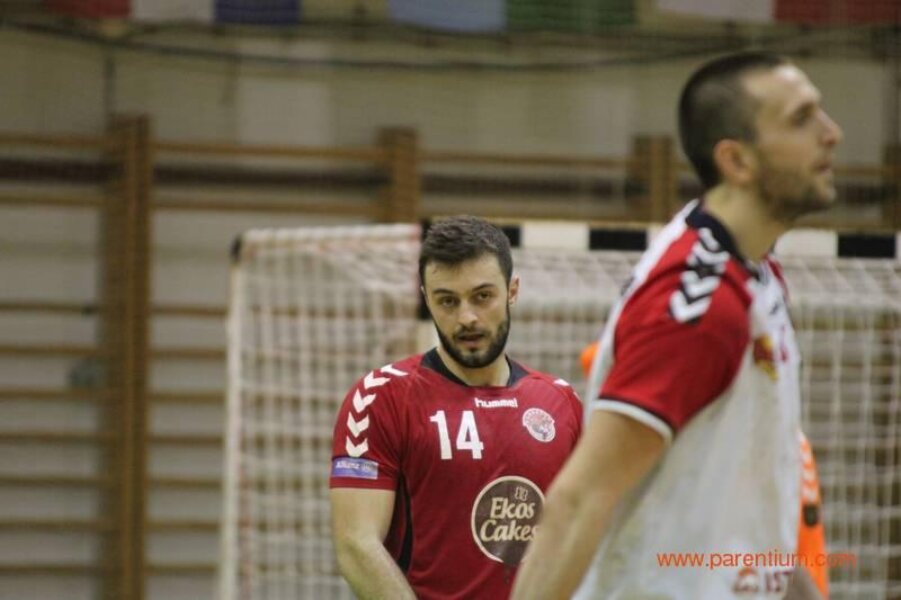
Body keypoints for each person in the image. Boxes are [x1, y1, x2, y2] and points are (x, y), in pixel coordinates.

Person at [512, 51, 842, 600]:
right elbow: (578, 499)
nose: (831, 133)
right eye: (801, 119)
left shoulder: (756, 274)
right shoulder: (698, 302)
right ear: (737, 160)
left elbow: (757, 536)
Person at [329, 215, 582, 599]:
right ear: (427, 299)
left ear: (512, 291)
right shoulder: (381, 398)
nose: (467, 317)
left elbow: (583, 533)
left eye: (482, 296)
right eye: (448, 301)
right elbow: (356, 545)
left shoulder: (562, 403)